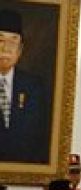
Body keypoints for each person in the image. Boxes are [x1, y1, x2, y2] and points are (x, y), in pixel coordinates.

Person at [0, 9, 49, 164]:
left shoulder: (34, 87)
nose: (6, 48)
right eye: (0, 40)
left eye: (13, 41)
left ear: (20, 50)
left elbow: (41, 138)